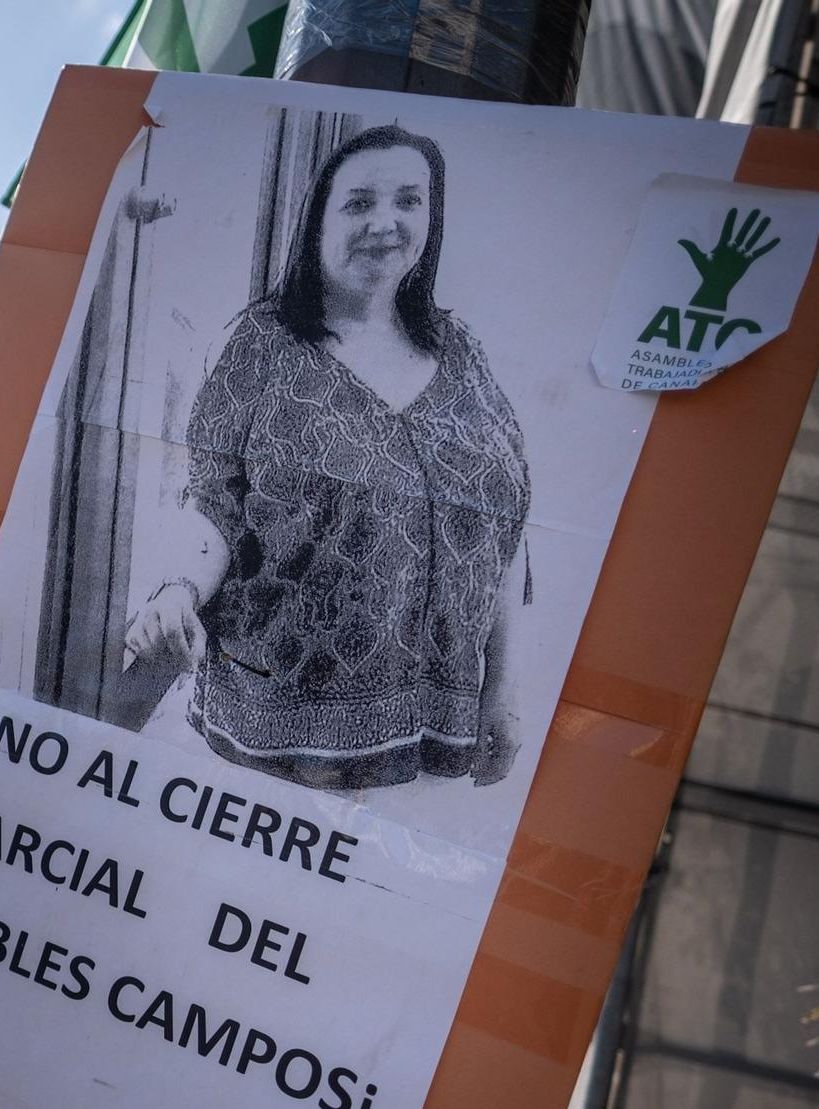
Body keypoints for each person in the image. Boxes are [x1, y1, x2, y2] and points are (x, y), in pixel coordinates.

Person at [125, 124, 531, 792]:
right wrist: (177, 590)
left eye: (408, 201)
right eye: (359, 203)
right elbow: (214, 504)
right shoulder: (263, 344)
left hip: (431, 751)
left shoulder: (464, 355)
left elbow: (507, 535)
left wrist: (505, 690)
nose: (386, 222)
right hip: (263, 747)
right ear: (318, 220)